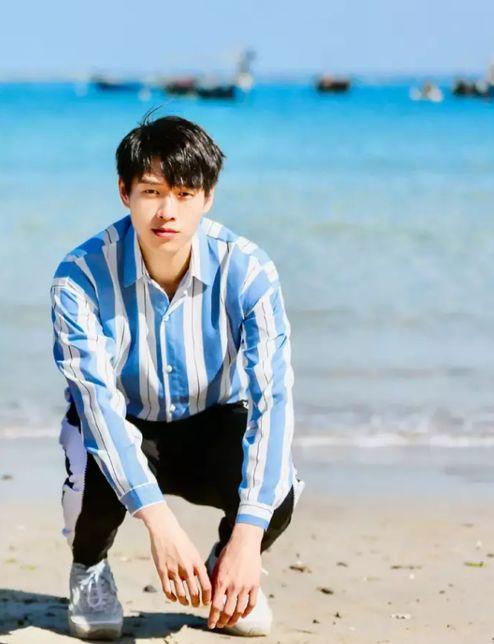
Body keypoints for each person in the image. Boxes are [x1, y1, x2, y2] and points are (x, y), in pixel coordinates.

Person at [50, 114, 304, 640]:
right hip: (124, 422)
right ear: (125, 193)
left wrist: (248, 539)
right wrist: (161, 525)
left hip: (212, 420)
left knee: (279, 488)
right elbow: (97, 408)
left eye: (185, 193)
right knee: (90, 466)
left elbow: (272, 401)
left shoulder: (249, 271)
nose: (168, 211)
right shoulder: (79, 279)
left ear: (208, 198)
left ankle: (225, 569)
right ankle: (90, 568)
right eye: (151, 191)